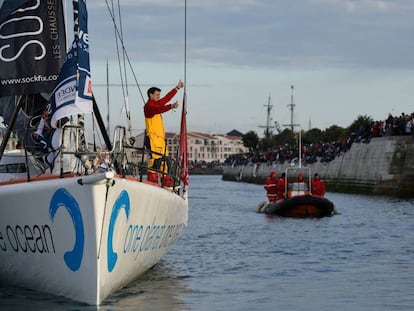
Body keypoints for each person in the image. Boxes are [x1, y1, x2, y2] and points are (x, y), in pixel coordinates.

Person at [144, 81, 184, 183]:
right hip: (153, 139)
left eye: (159, 95)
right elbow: (158, 109)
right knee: (154, 161)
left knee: (165, 161)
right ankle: (152, 181)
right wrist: (170, 106)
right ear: (150, 95)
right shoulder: (149, 107)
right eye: (157, 95)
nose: (158, 97)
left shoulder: (156, 104)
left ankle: (167, 182)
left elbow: (166, 99)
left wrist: (177, 88)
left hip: (160, 140)